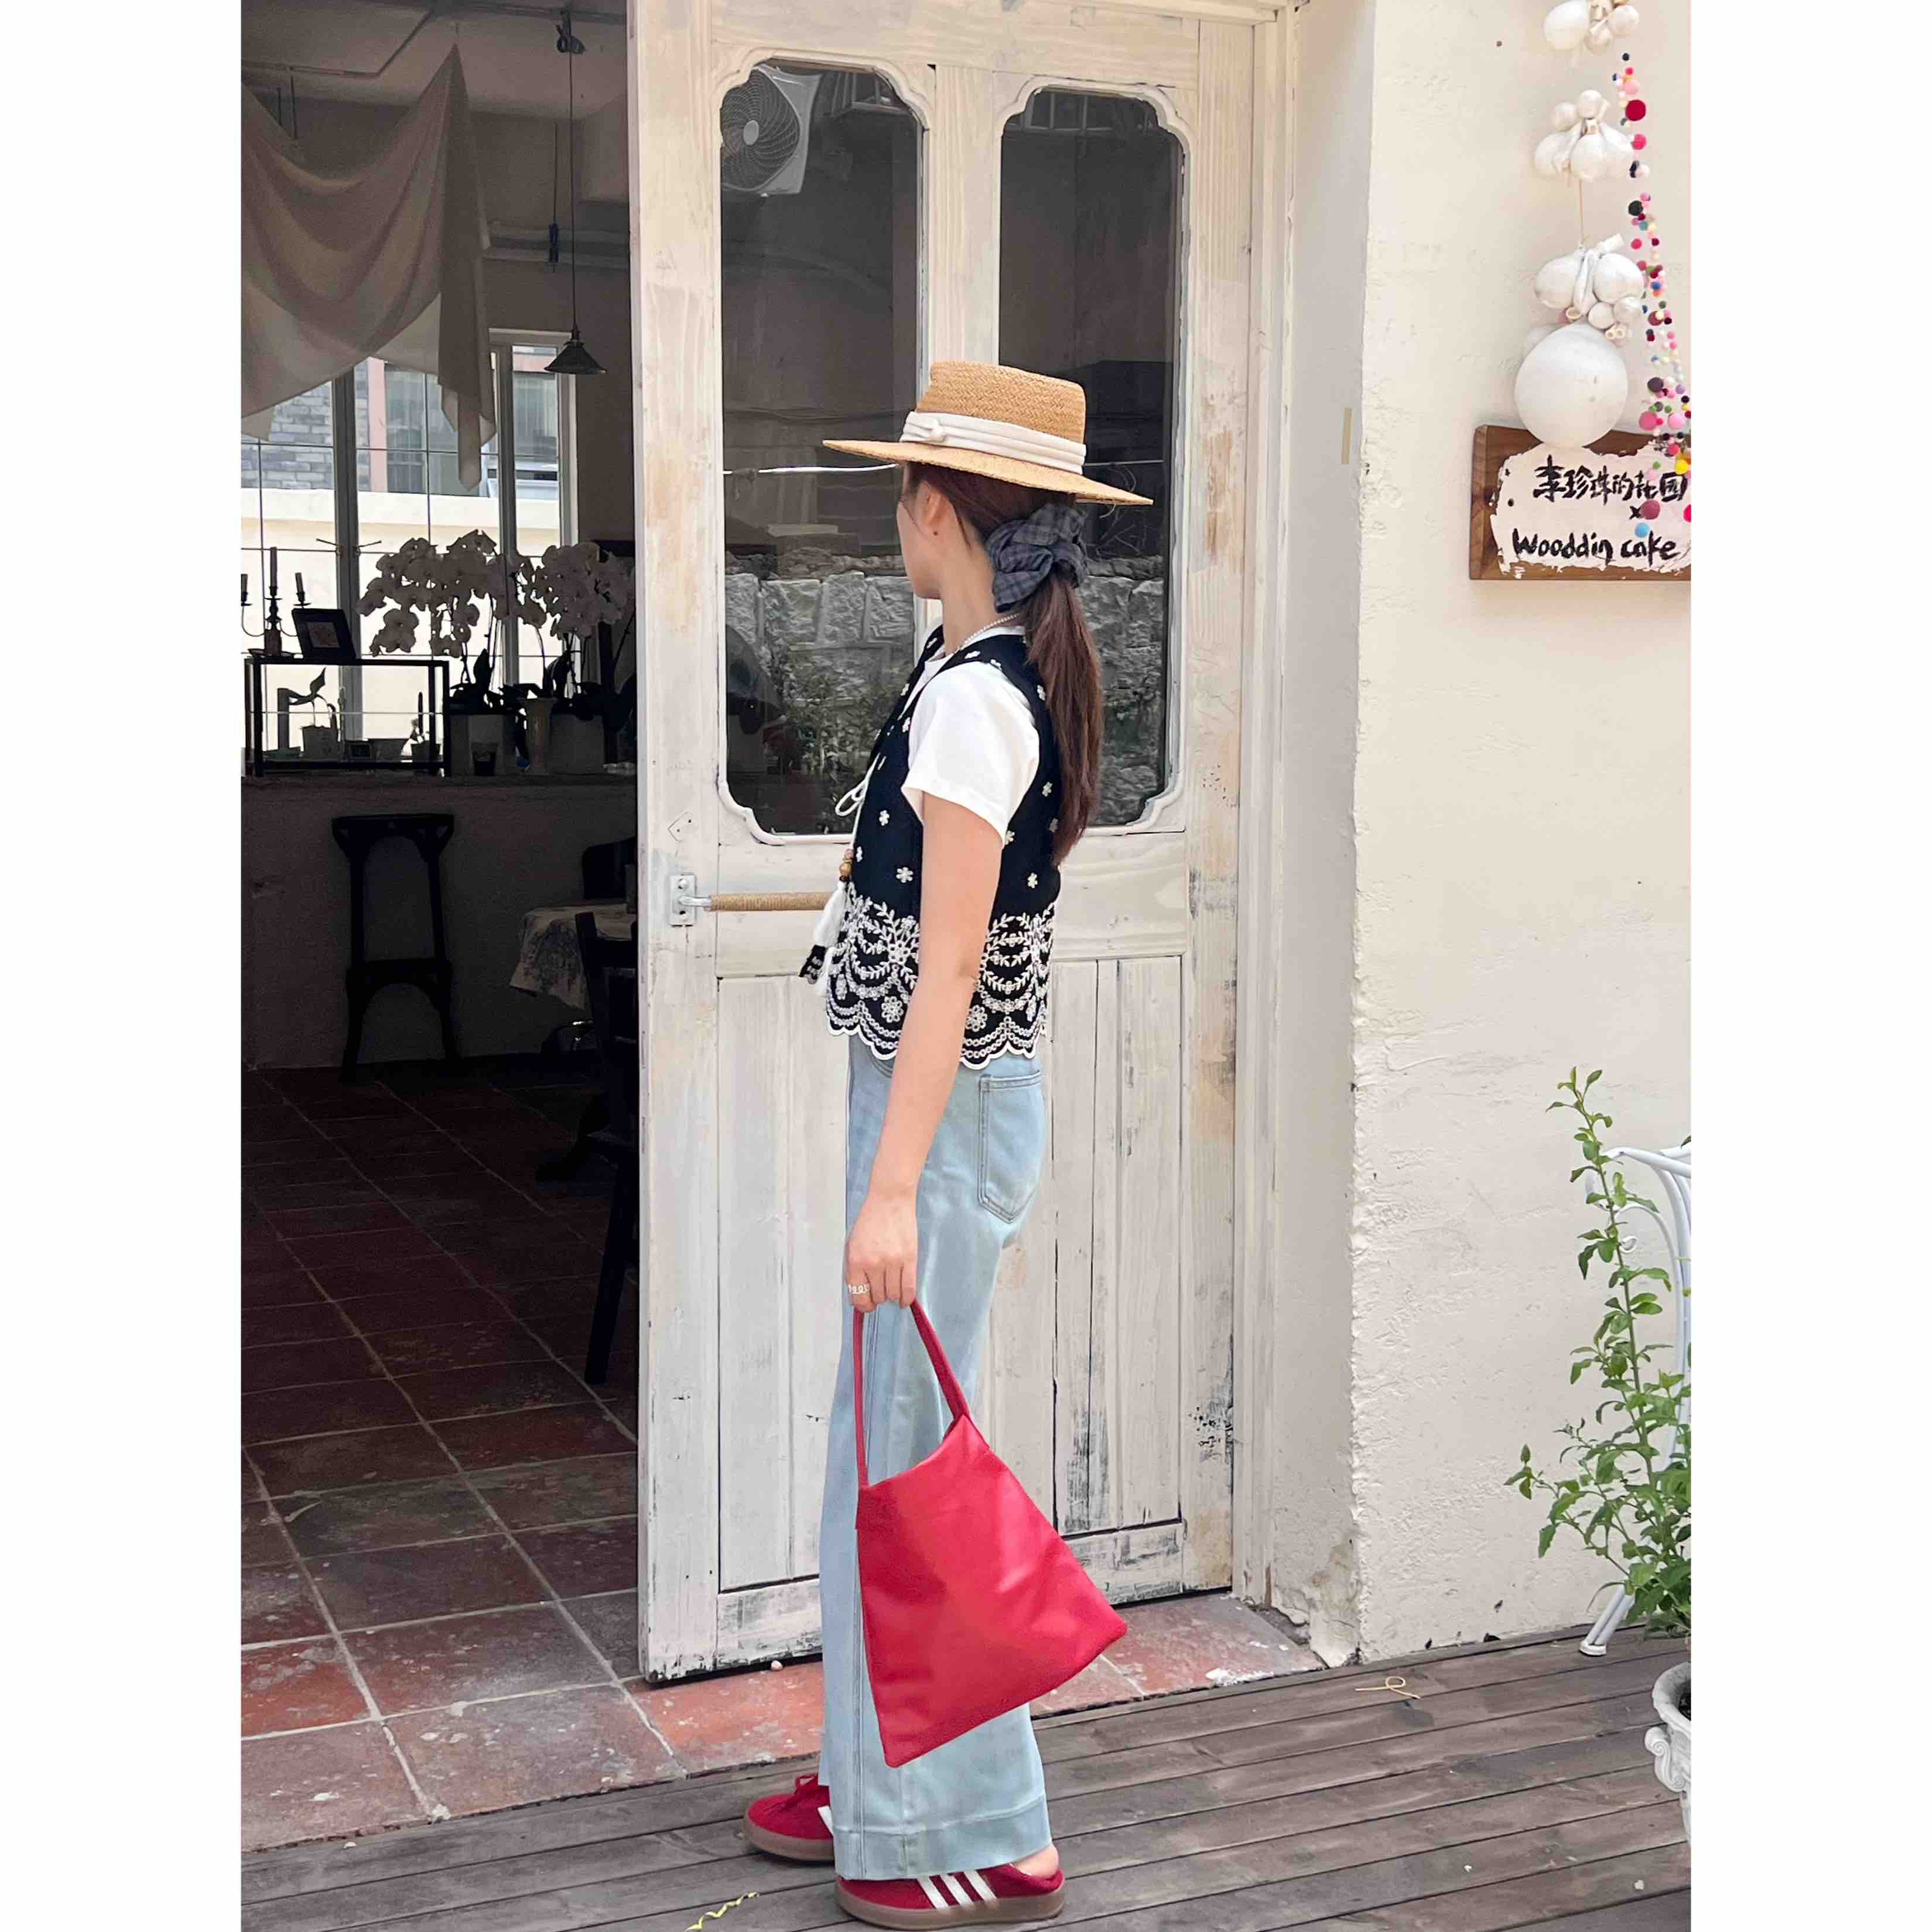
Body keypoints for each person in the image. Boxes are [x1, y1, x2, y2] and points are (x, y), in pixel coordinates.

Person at [741, 363, 1150, 1926]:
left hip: (946, 1111)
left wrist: (893, 1190)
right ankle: (877, 1772)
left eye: (903, 487)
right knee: (882, 1457)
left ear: (939, 511)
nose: (891, 511)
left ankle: (972, 1824)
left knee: (910, 1474)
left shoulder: (978, 700)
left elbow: (951, 973)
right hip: (942, 1104)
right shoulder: (969, 666)